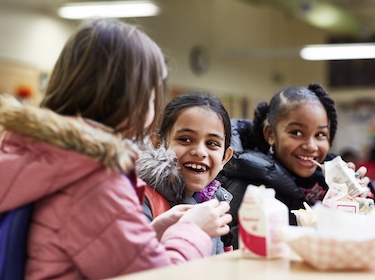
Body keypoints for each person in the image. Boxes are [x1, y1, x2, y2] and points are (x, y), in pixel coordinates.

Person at [0, 18, 232, 279]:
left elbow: (102, 250)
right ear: (133, 97)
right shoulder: (92, 176)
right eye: (153, 94)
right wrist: (193, 230)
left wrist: (155, 231)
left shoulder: (51, 155)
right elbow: (155, 276)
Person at [223, 83, 371, 249]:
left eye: (320, 134)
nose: (311, 146)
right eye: (297, 133)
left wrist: (361, 199)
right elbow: (234, 250)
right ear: (270, 134)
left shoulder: (329, 183)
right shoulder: (249, 191)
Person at [137, 91, 234, 254]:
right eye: (185, 139)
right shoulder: (140, 197)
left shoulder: (218, 203)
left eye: (212, 143)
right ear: (157, 144)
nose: (200, 152)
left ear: (225, 157)